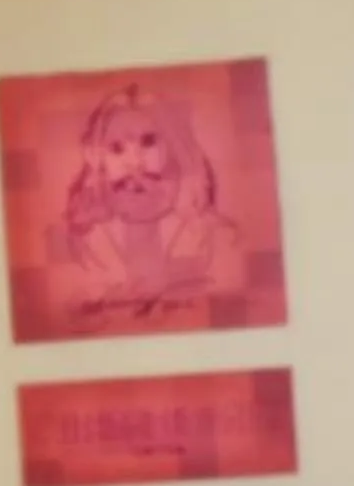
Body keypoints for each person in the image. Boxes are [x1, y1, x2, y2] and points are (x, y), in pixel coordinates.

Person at [58, 82, 238, 322]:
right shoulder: (86, 243)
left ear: (176, 149)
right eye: (116, 148)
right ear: (96, 159)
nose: (134, 163)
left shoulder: (216, 237)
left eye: (149, 142)